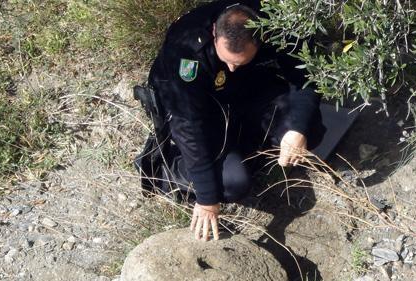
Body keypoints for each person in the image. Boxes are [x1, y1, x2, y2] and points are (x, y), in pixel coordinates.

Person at [134, 0, 325, 241]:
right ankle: (164, 169)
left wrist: (297, 128)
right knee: (234, 183)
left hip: (244, 90)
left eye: (239, 61)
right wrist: (206, 199)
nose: (232, 67)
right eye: (227, 61)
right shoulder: (186, 54)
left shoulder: (277, 23)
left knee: (310, 130)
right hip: (202, 109)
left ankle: (244, 146)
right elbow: (189, 128)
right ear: (215, 32)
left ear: (261, 39)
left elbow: (305, 75)